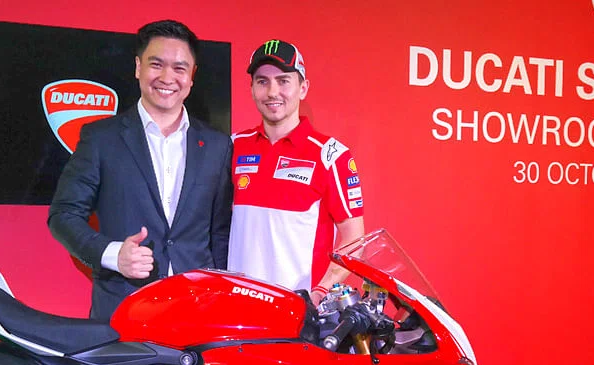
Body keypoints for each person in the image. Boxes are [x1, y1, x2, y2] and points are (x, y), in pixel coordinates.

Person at [49, 20, 233, 321]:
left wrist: (221, 291)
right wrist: (112, 254)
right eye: (156, 64)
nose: (167, 78)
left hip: (198, 310)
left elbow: (220, 231)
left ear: (191, 76)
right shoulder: (101, 138)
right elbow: (63, 214)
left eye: (179, 68)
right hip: (124, 306)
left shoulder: (217, 145)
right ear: (138, 67)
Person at [229, 39, 365, 305]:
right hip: (238, 308)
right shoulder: (233, 145)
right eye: (262, 81)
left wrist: (320, 292)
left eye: (283, 81)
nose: (272, 92)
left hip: (298, 311)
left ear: (303, 88)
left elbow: (354, 239)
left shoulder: (331, 155)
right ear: (252, 89)